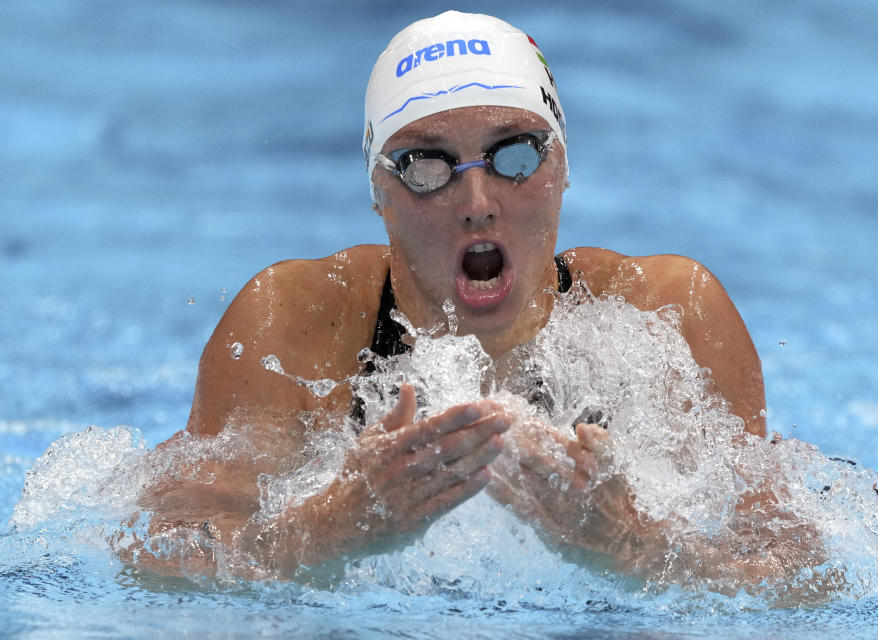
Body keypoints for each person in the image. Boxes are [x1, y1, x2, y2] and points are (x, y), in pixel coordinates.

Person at [129, 11, 809, 590]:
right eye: (427, 168)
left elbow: (803, 574)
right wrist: (328, 532)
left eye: (515, 155)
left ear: (564, 166)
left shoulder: (669, 315)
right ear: (379, 194)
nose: (478, 205)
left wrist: (633, 549)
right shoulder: (297, 326)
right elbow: (159, 557)